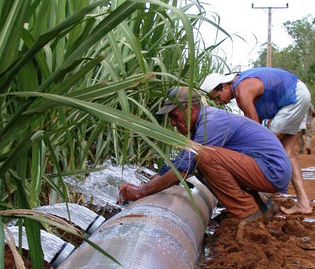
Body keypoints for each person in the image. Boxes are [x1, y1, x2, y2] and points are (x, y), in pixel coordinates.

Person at [118, 86, 292, 222]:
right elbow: (179, 163)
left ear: (190, 110)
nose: (172, 123)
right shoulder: (204, 123)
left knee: (203, 157)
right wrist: (147, 184)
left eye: (174, 116)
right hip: (267, 168)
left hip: (272, 170)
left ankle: (249, 213)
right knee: (199, 159)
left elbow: (183, 170)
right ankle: (261, 206)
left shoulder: (211, 123)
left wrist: (141, 192)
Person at [200, 67, 312, 215]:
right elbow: (256, 121)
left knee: (266, 148)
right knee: (287, 152)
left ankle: (262, 200)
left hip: (293, 97)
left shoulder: (241, 90)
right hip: (298, 94)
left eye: (217, 97)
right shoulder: (244, 84)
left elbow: (254, 132)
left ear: (225, 86)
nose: (218, 103)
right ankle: (304, 203)